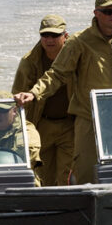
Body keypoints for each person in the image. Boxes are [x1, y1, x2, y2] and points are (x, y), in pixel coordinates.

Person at [14, 0, 112, 184]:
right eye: (108, 12)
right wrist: (34, 93)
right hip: (88, 119)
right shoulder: (79, 41)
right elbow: (57, 74)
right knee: (85, 175)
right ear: (96, 13)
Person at [12, 14, 74, 186]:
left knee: (65, 177)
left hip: (70, 124)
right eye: (45, 35)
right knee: (42, 175)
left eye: (55, 35)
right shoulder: (29, 61)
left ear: (65, 36)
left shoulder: (75, 56)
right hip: (42, 125)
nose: (49, 40)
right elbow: (17, 93)